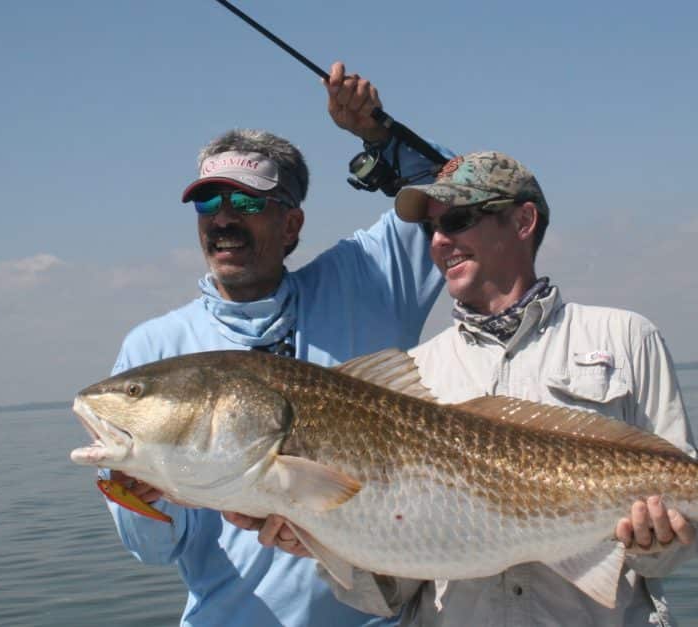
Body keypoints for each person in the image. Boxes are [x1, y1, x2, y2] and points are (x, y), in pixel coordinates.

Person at [242, 151, 698, 625]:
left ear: (523, 220)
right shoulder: (416, 374)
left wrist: (657, 545)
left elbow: (689, 523)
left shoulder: (627, 337)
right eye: (431, 229)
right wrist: (326, 542)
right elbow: (392, 592)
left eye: (458, 219)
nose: (439, 241)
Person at [101, 62, 448, 626]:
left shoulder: (365, 282)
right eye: (208, 204)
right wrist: (134, 490)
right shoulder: (155, 351)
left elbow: (456, 198)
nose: (224, 221)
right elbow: (153, 550)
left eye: (247, 203)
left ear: (292, 224)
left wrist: (379, 135)